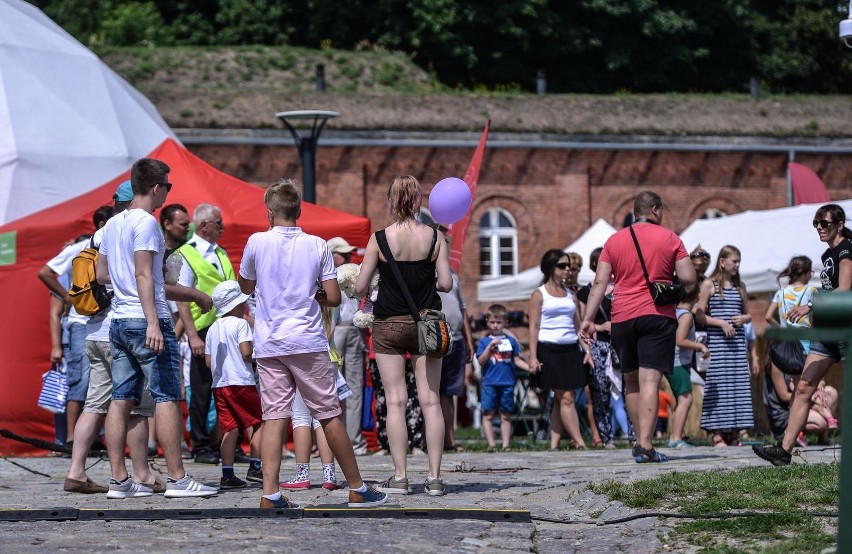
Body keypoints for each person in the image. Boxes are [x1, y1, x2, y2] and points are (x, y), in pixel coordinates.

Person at [238, 178, 386, 509]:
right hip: (306, 339)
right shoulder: (317, 244)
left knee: (275, 415)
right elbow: (333, 298)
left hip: (270, 341)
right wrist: (314, 291)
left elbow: (245, 286)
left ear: (269, 212)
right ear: (299, 210)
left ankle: (270, 493)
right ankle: (356, 487)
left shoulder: (257, 241)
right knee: (328, 413)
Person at [96, 158, 218, 499]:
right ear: (155, 188)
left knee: (120, 399)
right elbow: (144, 274)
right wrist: (152, 319)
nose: (168, 190)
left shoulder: (112, 225)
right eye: (168, 186)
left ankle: (119, 481)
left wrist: (130, 291)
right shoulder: (146, 224)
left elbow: (102, 275)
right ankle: (178, 479)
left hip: (119, 320)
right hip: (146, 318)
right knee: (166, 396)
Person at [580, 191, 695, 463]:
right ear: (655, 209)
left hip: (622, 317)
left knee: (631, 380)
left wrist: (588, 318)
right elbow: (688, 278)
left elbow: (599, 284)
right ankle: (646, 444)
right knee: (650, 380)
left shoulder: (614, 241)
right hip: (657, 315)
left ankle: (637, 441)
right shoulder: (670, 238)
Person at [355, 175, 452, 496]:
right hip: (427, 323)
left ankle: (400, 476)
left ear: (392, 201)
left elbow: (359, 286)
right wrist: (425, 282)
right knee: (430, 400)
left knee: (395, 401)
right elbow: (447, 284)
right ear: (418, 201)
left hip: (389, 325)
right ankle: (435, 477)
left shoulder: (379, 238)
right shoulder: (436, 237)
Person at [754, 203, 852, 466]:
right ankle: (784, 451)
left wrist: (809, 304)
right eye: (816, 224)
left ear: (839, 225)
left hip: (845, 327)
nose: (819, 228)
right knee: (804, 386)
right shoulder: (826, 254)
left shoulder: (846, 251)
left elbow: (845, 290)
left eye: (825, 223)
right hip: (828, 328)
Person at [38, 205, 114, 444]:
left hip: (106, 323)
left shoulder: (114, 248)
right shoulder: (81, 248)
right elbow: (45, 272)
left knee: (101, 383)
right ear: (103, 225)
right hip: (81, 323)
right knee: (80, 381)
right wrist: (68, 296)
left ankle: (93, 438)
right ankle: (71, 438)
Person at [177, 203, 233, 465]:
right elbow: (181, 299)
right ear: (204, 225)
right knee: (200, 390)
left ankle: (225, 442)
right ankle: (201, 445)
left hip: (225, 327)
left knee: (227, 386)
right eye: (219, 223)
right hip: (202, 328)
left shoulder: (221, 252)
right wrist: (192, 335)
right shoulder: (185, 254)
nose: (223, 227)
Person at [204, 280, 264, 489]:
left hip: (220, 384)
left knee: (230, 429)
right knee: (259, 423)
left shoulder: (212, 328)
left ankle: (227, 474)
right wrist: (259, 357)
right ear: (235, 305)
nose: (245, 306)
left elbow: (208, 361)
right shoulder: (240, 324)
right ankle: (256, 467)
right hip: (241, 381)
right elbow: (246, 352)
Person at [280, 307, 348, 491]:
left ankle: (302, 475)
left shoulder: (304, 300)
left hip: (304, 356)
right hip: (329, 357)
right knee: (323, 417)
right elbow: (336, 322)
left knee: (301, 417)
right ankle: (330, 476)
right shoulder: (332, 303)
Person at [528, 249, 589, 451]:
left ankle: (554, 444)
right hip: (549, 349)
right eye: (562, 266)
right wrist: (533, 356)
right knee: (567, 396)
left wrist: (587, 351)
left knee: (560, 398)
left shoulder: (571, 294)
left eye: (569, 266)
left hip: (570, 349)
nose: (567, 270)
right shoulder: (539, 294)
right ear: (551, 268)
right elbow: (534, 327)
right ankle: (579, 441)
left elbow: (578, 327)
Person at [694, 245, 754, 447]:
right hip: (718, 344)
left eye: (738, 261)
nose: (737, 265)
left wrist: (744, 318)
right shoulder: (710, 285)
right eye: (734, 261)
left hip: (737, 345)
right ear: (722, 261)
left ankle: (735, 432)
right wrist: (720, 322)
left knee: (737, 387)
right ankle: (717, 432)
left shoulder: (740, 286)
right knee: (718, 386)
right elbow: (699, 314)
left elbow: (748, 314)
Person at [577, 247, 630, 449]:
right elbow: (582, 322)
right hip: (598, 345)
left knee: (629, 389)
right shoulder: (585, 291)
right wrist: (600, 326)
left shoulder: (622, 287)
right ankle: (606, 437)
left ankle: (634, 435)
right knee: (600, 392)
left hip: (621, 343)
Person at [327, 236, 369, 456]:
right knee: (334, 387)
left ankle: (355, 440)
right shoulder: (327, 276)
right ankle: (333, 441)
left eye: (349, 253)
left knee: (354, 386)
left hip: (354, 330)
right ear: (333, 255)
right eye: (343, 254)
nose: (348, 257)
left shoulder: (353, 273)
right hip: (337, 331)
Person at [476, 304, 529, 452]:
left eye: (499, 322)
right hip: (490, 382)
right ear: (487, 322)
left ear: (504, 322)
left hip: (507, 382)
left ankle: (506, 444)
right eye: (492, 322)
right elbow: (481, 361)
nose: (495, 326)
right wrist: (490, 347)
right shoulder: (484, 342)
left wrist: (529, 367)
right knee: (488, 414)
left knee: (506, 414)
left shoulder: (511, 341)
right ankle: (491, 444)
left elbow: (517, 360)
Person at [438, 267, 474, 453]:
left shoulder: (451, 272)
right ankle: (434, 440)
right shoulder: (424, 269)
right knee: (433, 393)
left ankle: (449, 439)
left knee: (449, 392)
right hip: (436, 338)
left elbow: (463, 309)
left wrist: (469, 340)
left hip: (457, 338)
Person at [667, 285, 706, 448]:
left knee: (681, 399)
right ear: (697, 296)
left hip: (673, 361)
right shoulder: (686, 316)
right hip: (677, 362)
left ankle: (675, 435)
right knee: (686, 398)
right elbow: (680, 340)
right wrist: (700, 347)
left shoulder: (676, 312)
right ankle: (675, 438)